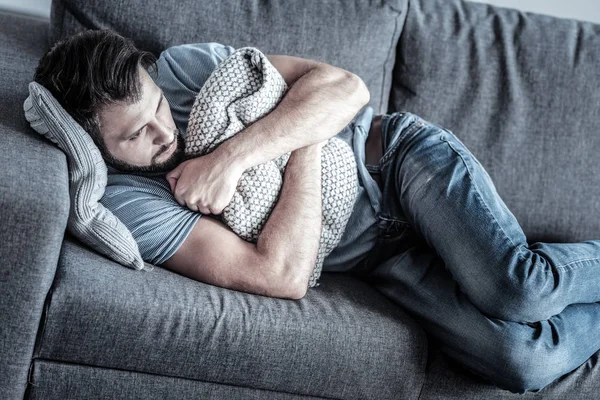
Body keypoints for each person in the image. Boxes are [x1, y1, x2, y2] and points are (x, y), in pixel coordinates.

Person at [33, 29, 600, 394]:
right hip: (377, 257)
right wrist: (306, 138)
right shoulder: (133, 202)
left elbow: (346, 89)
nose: (165, 133)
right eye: (136, 135)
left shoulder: (185, 70)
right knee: (522, 360)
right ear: (93, 144)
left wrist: (234, 157)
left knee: (516, 289)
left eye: (156, 105)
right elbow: (280, 274)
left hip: (398, 162)